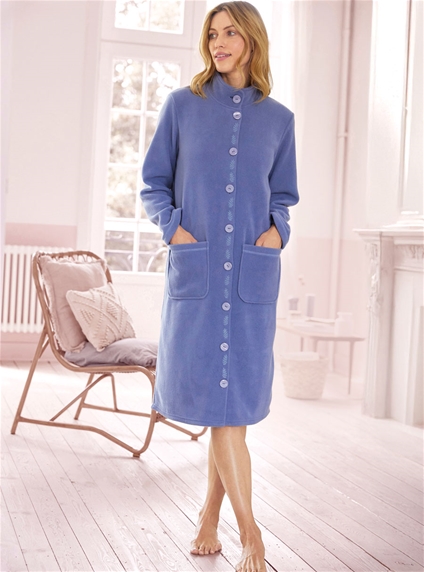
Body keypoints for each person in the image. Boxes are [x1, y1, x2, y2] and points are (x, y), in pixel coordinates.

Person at [141, 2, 299, 570]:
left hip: (251, 279)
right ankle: (252, 534)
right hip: (200, 274)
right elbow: (153, 183)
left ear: (252, 39)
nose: (219, 43)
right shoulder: (182, 106)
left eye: (230, 32)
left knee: (229, 407)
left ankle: (211, 517)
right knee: (222, 407)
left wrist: (276, 233)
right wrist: (175, 230)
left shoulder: (278, 119)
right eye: (212, 34)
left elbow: (285, 196)